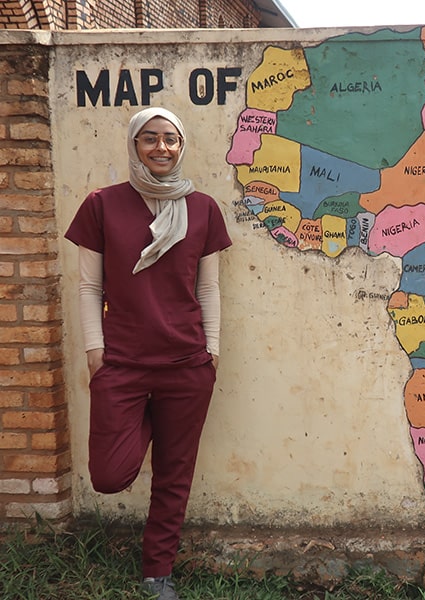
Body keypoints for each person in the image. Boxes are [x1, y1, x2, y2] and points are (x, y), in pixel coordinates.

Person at [65, 107, 232, 600]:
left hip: (187, 366)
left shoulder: (202, 208)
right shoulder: (102, 205)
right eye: (150, 139)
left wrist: (213, 350)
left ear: (182, 147)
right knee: (110, 475)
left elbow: (209, 289)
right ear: (135, 145)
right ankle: (143, 423)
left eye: (171, 140)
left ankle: (157, 573)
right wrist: (96, 351)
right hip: (122, 365)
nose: (162, 148)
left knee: (174, 475)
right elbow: (88, 286)